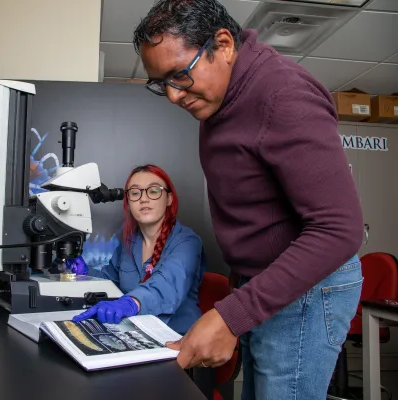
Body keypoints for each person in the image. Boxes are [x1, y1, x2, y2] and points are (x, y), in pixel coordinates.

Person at [132, 1, 364, 399]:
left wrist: (230, 316)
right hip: (266, 283)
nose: (172, 95)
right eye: (160, 83)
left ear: (223, 44)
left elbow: (339, 229)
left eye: (179, 75)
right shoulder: (217, 96)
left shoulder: (283, 96)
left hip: (308, 288)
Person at [70, 164, 207, 337]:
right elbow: (111, 280)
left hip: (179, 339)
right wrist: (84, 272)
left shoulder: (187, 242)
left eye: (154, 191)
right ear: (128, 202)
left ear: (169, 199)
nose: (144, 199)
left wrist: (130, 303)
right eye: (135, 193)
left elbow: (167, 284)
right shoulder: (129, 243)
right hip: (136, 333)